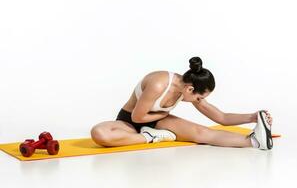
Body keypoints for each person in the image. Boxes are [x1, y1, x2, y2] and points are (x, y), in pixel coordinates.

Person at [91, 57, 273, 150]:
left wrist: (253, 117)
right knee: (99, 133)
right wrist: (165, 116)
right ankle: (154, 137)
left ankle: (254, 142)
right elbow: (137, 117)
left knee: (203, 133)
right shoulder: (159, 83)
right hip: (129, 122)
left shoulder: (188, 89)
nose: (199, 102)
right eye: (199, 98)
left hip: (157, 123)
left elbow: (221, 117)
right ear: (191, 90)